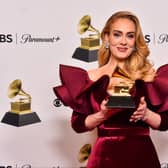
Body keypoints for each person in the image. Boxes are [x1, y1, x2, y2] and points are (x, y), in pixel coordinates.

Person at [53, 11, 168, 168]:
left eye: (130, 36)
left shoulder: (147, 76)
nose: (123, 41)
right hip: (104, 157)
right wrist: (102, 115)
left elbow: (164, 123)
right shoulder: (91, 78)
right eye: (117, 34)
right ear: (107, 38)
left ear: (135, 41)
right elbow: (78, 124)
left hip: (142, 156)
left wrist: (146, 114)